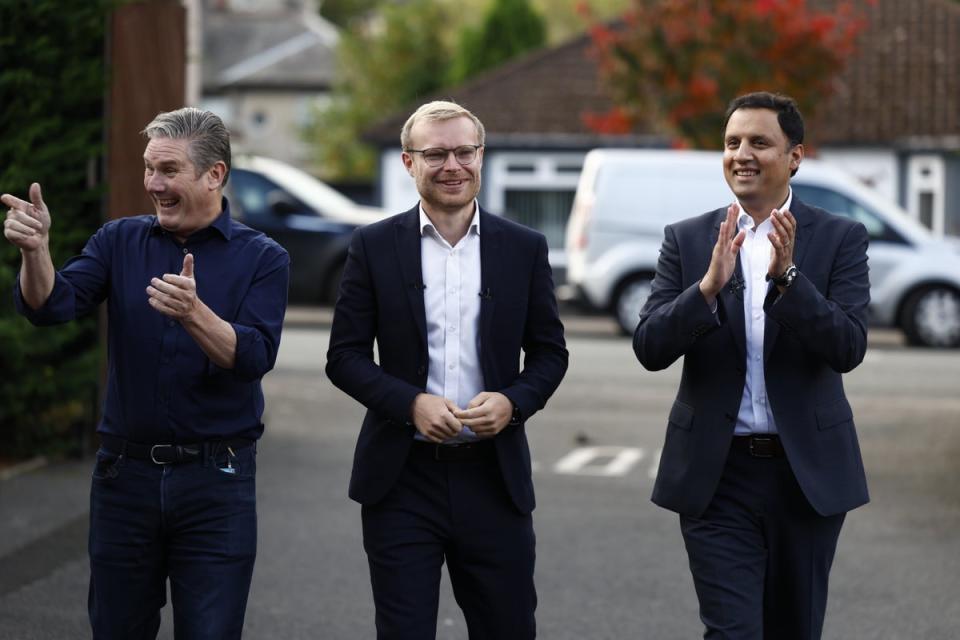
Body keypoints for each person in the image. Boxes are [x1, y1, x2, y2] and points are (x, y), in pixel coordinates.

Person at [2, 107, 289, 639]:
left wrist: (196, 315)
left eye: (168, 170)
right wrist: (36, 252)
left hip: (216, 481)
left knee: (210, 631)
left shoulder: (263, 257)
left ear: (214, 175)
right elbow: (51, 305)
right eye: (148, 168)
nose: (153, 184)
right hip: (124, 479)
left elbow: (253, 356)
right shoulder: (119, 241)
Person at [326, 100, 568, 639]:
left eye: (464, 151)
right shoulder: (372, 245)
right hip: (401, 477)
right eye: (435, 154)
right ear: (409, 163)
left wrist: (513, 401)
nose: (452, 165)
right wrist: (409, 403)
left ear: (481, 156)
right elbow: (343, 357)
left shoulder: (524, 248)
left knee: (507, 628)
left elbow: (551, 353)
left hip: (494, 477)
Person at [633, 92, 870, 640]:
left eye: (759, 142)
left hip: (804, 474)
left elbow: (848, 347)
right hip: (717, 474)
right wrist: (707, 290)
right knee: (732, 631)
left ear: (795, 156)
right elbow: (649, 347)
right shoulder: (689, 239)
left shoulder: (839, 238)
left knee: (795, 628)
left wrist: (789, 280)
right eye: (732, 142)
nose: (742, 153)